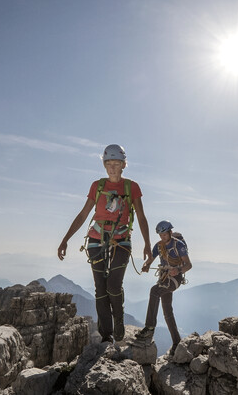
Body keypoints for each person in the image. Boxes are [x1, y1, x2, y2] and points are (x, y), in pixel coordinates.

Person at [58, 144, 152, 343]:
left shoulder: (131, 187)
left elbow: (142, 217)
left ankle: (118, 319)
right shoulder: (97, 186)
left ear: (124, 164)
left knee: (113, 284)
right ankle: (106, 334)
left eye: (116, 163)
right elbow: (84, 214)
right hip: (96, 238)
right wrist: (65, 239)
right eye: (108, 163)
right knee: (100, 287)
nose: (111, 168)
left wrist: (147, 245)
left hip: (121, 239)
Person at [135, 220, 192, 356]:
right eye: (160, 235)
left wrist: (178, 271)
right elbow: (152, 258)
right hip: (164, 277)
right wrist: (147, 265)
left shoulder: (179, 245)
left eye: (164, 234)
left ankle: (149, 328)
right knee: (167, 310)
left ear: (170, 232)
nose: (162, 237)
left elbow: (188, 265)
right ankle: (176, 341)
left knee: (154, 291)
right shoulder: (159, 246)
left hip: (175, 278)